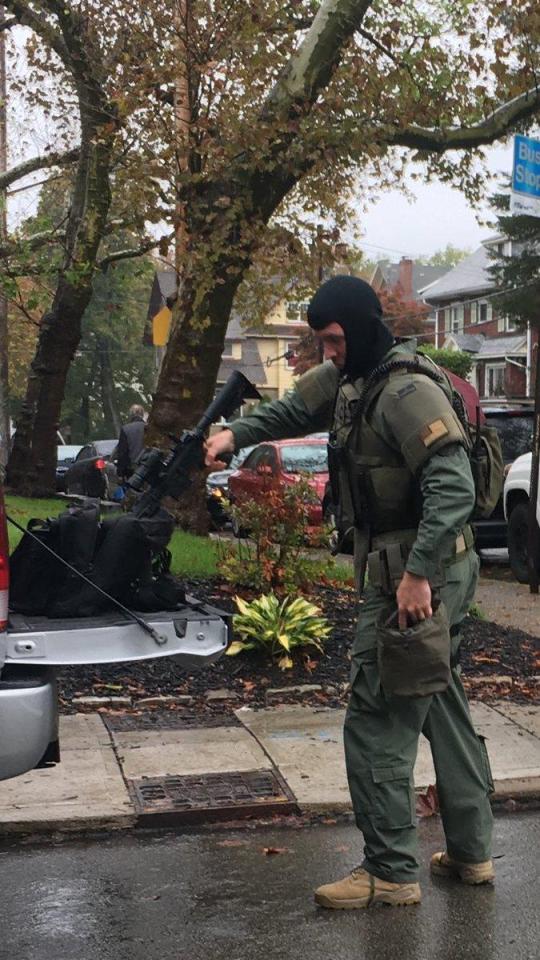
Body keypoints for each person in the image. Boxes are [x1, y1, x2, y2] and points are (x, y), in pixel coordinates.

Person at [205, 275, 494, 909]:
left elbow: (453, 488)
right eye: (322, 341)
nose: (329, 351)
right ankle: (471, 855)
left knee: (377, 718)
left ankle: (389, 872)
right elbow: (293, 408)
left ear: (362, 327)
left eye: (334, 339)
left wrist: (416, 574)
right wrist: (234, 435)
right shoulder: (352, 376)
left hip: (414, 574)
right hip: (423, 567)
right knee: (441, 705)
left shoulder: (406, 391)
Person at [116, 404, 146, 482]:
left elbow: (123, 452)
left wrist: (120, 473)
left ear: (131, 415)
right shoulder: (148, 428)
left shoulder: (126, 429)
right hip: (148, 467)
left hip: (132, 469)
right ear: (142, 415)